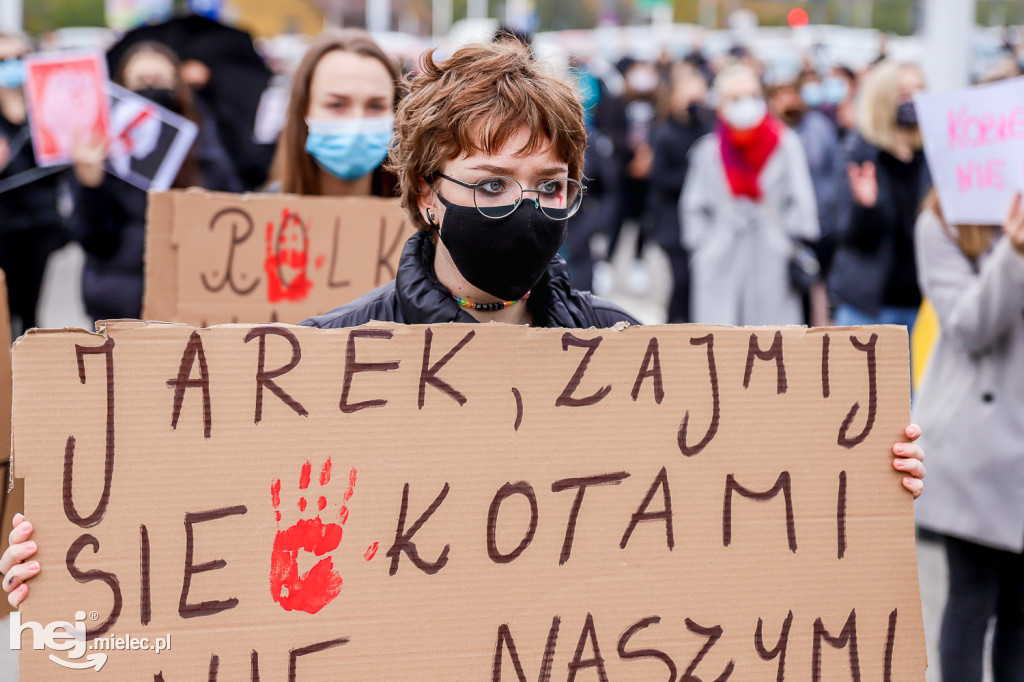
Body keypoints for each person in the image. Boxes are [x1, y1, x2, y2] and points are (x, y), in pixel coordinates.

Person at [0, 40, 927, 609]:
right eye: (489, 186)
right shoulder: (323, 359)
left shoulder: (632, 356)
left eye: (548, 187)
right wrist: (69, 563)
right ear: (426, 196)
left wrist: (858, 478)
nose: (523, 208)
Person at [913, 191, 1024, 682]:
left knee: (1020, 611)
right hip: (975, 448)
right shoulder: (939, 225)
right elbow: (969, 326)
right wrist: (1014, 253)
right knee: (972, 599)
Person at [70, 41, 239, 322]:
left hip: (189, 302)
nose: (150, 88)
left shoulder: (205, 145)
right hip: (118, 305)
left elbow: (233, 219)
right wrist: (91, 185)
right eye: (140, 82)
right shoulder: (99, 151)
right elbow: (93, 239)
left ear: (180, 87)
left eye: (160, 81)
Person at [681, 63, 819, 326]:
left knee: (772, 344)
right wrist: (704, 247)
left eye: (753, 96)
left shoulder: (785, 142)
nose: (746, 104)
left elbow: (801, 199)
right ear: (721, 104)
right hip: (722, 254)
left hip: (772, 256)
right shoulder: (708, 151)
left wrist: (788, 243)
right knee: (720, 343)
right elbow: (693, 205)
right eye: (736, 98)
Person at [828, 60, 930, 329]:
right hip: (870, 306)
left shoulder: (930, 157)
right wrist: (867, 208)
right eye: (904, 93)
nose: (914, 100)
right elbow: (844, 232)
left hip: (923, 304)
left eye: (920, 91)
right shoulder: (858, 153)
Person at [268, 28, 399, 198]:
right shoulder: (260, 216)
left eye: (375, 106)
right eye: (337, 105)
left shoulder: (429, 217)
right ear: (304, 110)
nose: (356, 122)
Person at [0, 32, 68, 336]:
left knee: (29, 309)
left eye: (19, 58)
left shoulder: (49, 110)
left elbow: (61, 170)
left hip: (39, 224)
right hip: (3, 224)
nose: (11, 66)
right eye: (3, 60)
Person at [644, 61, 713, 323]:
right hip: (671, 220)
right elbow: (661, 178)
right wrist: (694, 178)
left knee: (696, 282)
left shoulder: (706, 126)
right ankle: (674, 326)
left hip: (698, 219)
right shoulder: (665, 133)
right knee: (681, 280)